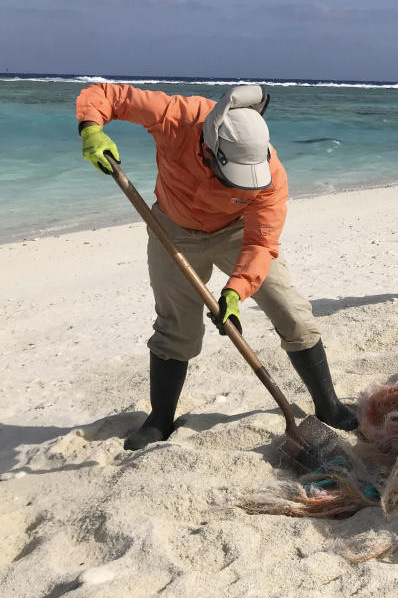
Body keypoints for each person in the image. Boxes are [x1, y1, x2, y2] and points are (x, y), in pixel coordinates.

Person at [76, 83, 358, 450]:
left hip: (238, 232)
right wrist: (92, 129)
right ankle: (160, 418)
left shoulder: (271, 176)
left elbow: (261, 243)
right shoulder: (177, 116)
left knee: (293, 313)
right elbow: (108, 96)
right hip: (173, 229)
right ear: (211, 147)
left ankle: (328, 405)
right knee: (177, 328)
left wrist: (235, 292)